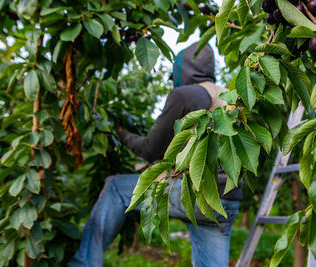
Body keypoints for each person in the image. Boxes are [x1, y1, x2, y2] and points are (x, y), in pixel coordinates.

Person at [69, 42, 242, 267]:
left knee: (116, 187)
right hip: (228, 201)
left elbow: (150, 149)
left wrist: (121, 134)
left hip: (198, 197)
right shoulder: (230, 97)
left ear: (183, 68)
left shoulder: (184, 95)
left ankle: (83, 263)